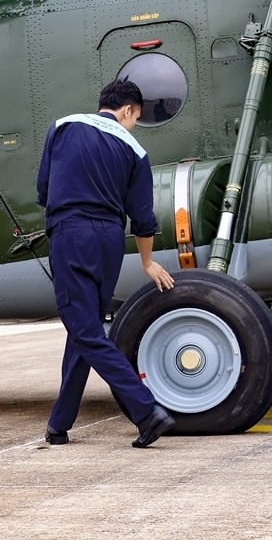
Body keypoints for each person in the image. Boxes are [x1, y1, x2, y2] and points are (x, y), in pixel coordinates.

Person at [36, 79, 177, 448]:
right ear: (129, 110)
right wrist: (146, 262)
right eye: (136, 118)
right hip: (110, 241)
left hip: (72, 234)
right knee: (86, 328)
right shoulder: (135, 150)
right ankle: (59, 424)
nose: (133, 124)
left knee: (84, 330)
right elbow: (144, 218)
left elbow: (43, 190)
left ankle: (147, 411)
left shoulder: (62, 126)